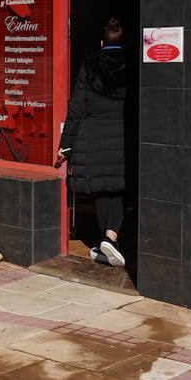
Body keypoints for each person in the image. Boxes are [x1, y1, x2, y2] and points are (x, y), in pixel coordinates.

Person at [54, 18, 129, 267]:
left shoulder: (89, 65)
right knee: (118, 189)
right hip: (122, 135)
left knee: (101, 189)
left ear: (101, 42)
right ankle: (111, 238)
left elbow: (76, 107)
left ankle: (106, 242)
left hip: (94, 137)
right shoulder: (132, 64)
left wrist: (65, 145)